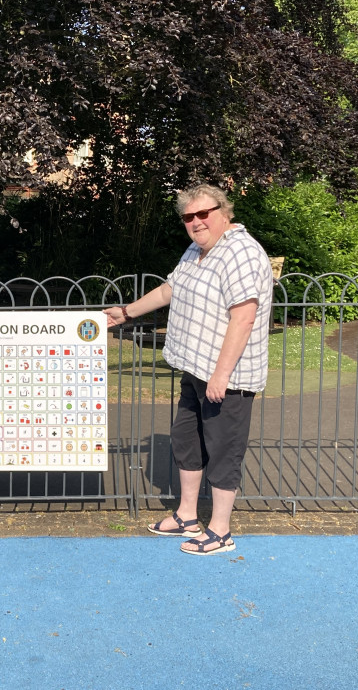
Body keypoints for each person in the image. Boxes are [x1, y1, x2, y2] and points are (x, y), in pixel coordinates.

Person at [104, 183, 272, 556]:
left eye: (203, 214)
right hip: (195, 368)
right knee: (187, 441)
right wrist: (128, 312)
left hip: (225, 377)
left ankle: (221, 531)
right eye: (188, 217)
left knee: (223, 449)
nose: (196, 222)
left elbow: (243, 318)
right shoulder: (197, 250)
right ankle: (186, 516)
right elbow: (170, 290)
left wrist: (222, 374)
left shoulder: (241, 253)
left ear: (223, 211)